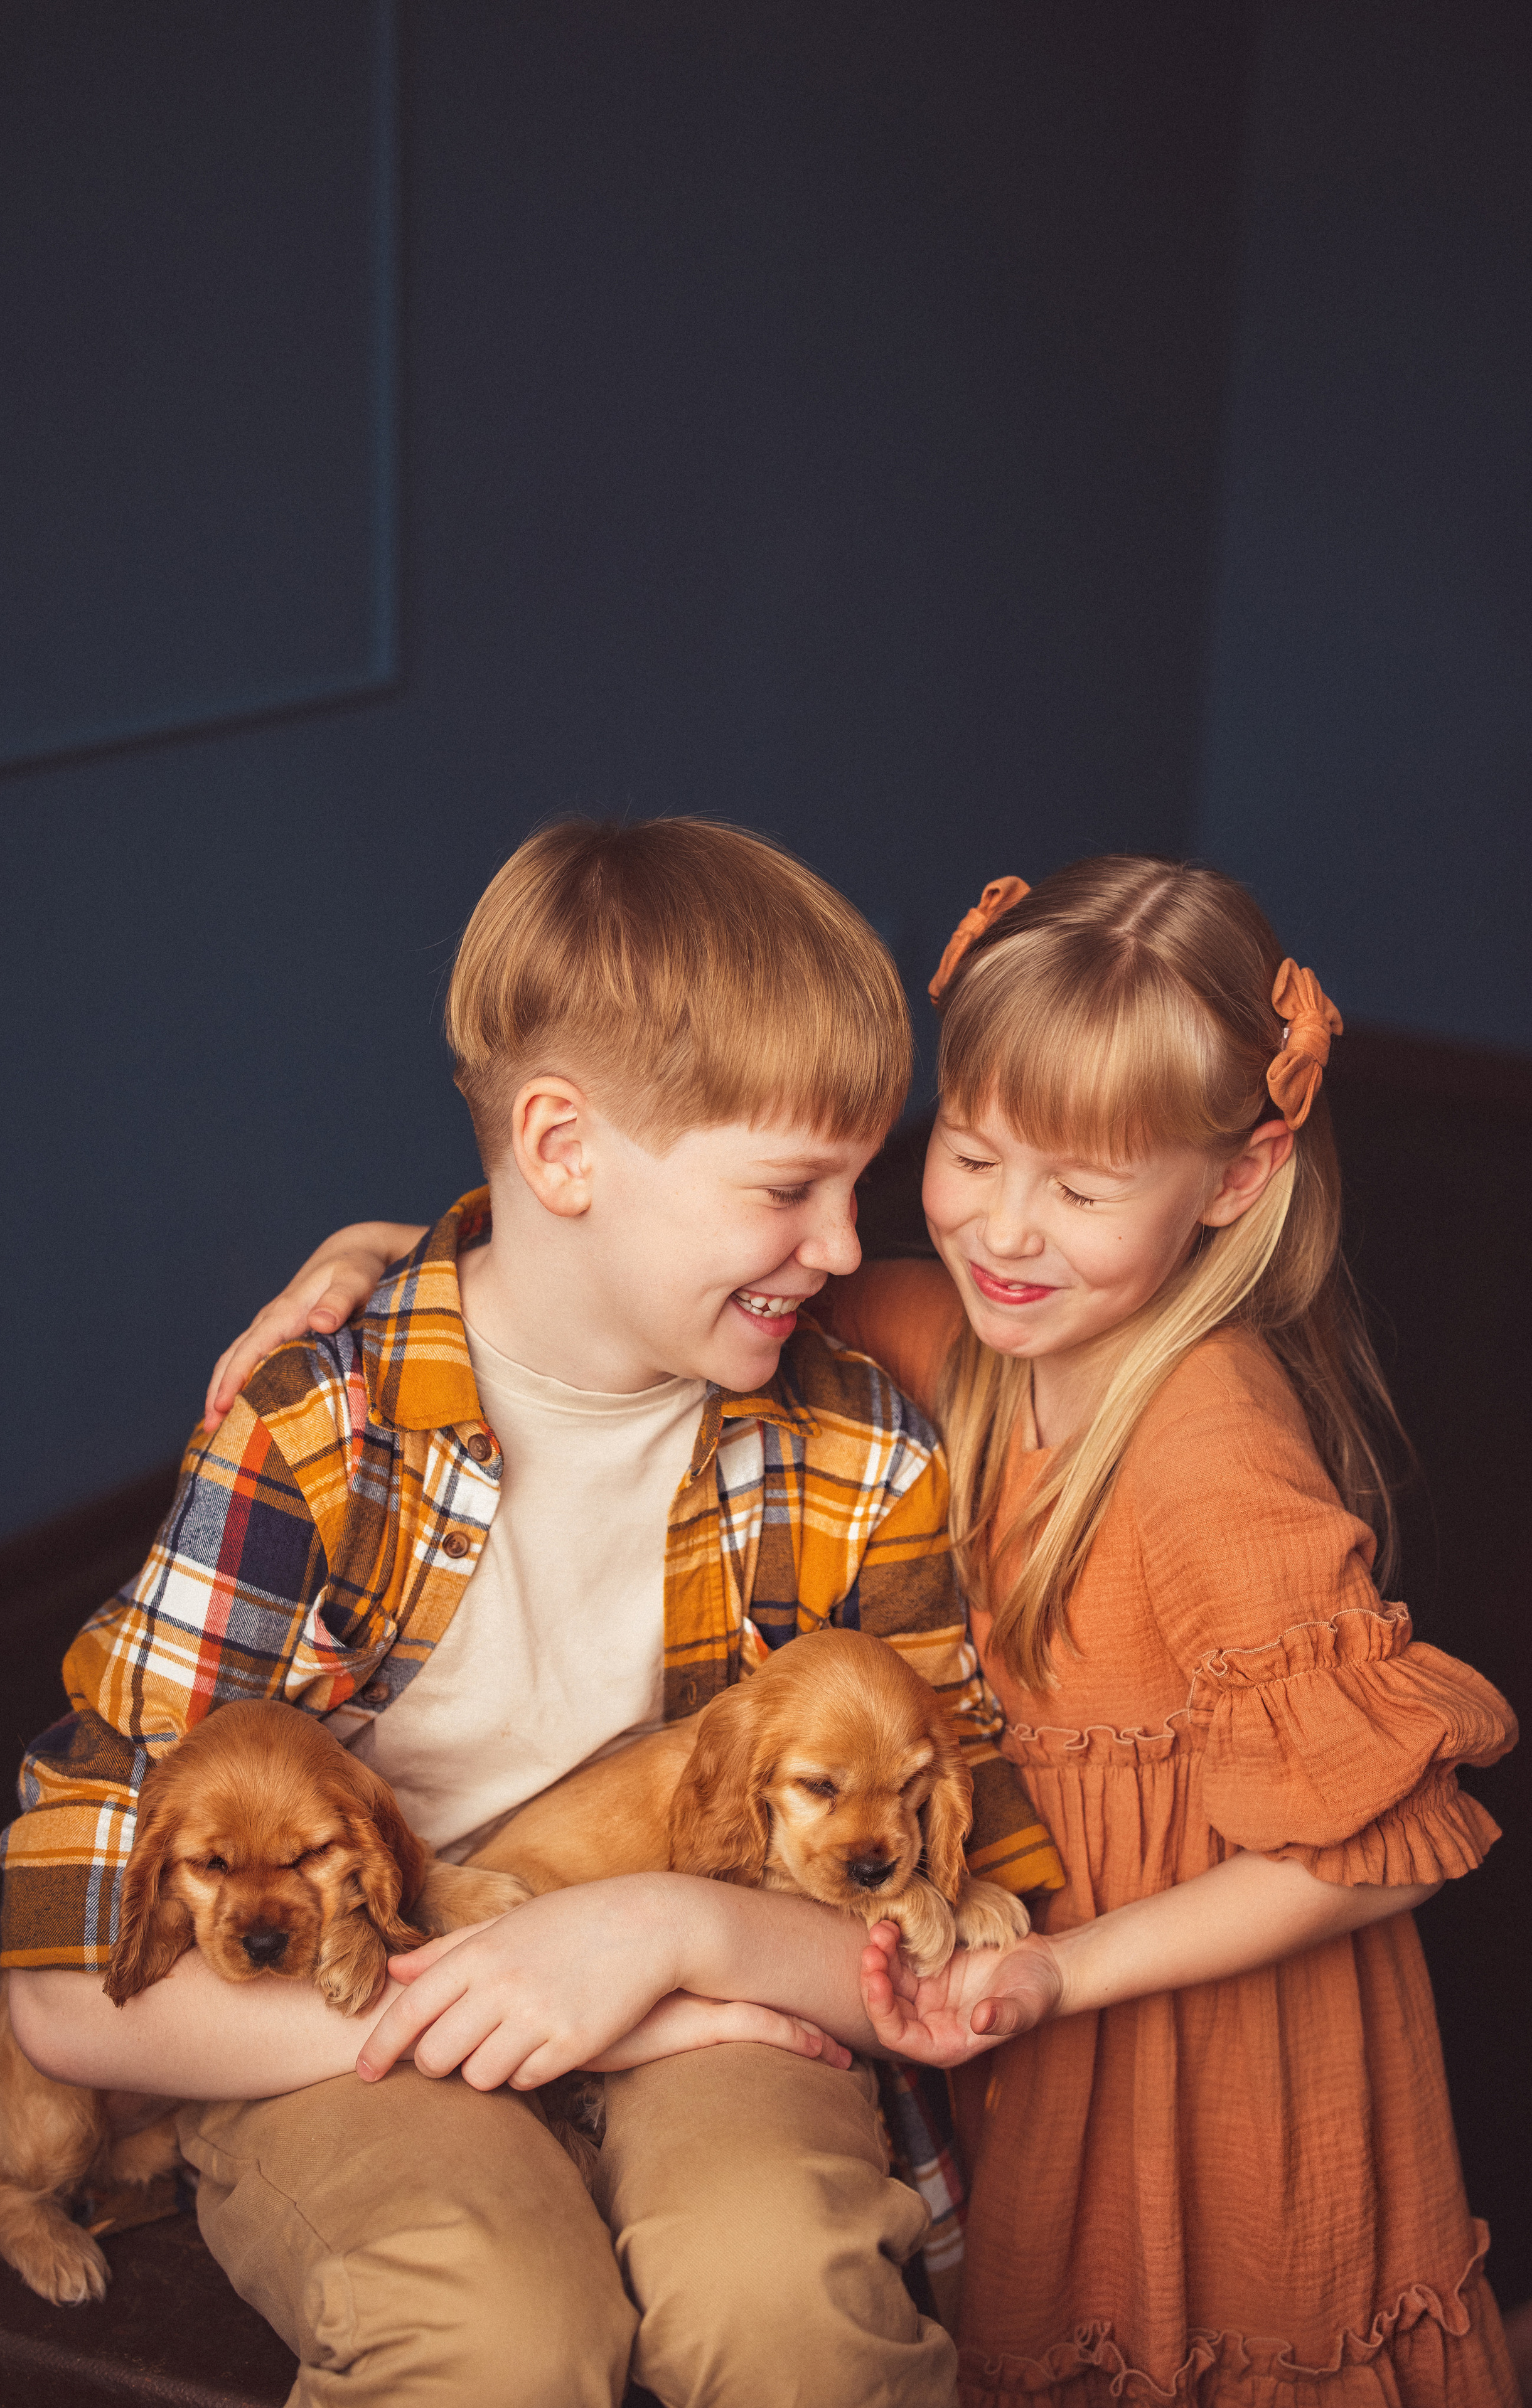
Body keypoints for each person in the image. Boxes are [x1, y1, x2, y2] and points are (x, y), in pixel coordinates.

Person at [240, 856, 1517, 2406]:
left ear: (1235, 1180)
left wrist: (1070, 1972)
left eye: (1085, 1188)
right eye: (971, 1153)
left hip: (1181, 2019)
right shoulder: (948, 1329)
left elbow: (1369, 1850)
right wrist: (390, 1256)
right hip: (990, 1979)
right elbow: (654, 1269)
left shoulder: (1208, 1444)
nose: (1007, 1230)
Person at [0, 818, 1063, 2408]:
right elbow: (63, 1981)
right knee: (492, 2326)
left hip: (725, 1977)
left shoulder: (858, 1448)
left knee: (780, 2292)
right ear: (561, 1147)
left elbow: (967, 1918)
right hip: (337, 2023)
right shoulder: (315, 1432)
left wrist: (665, 1942)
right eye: (791, 1186)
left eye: (858, 1183)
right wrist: (562, 2017)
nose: (839, 1245)